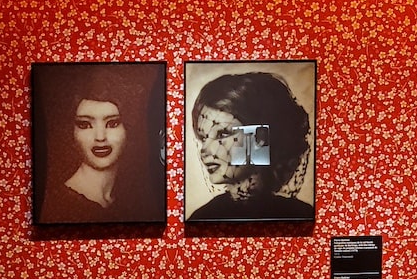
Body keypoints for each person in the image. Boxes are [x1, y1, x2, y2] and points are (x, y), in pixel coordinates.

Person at [36, 67, 163, 224]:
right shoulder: (57, 205)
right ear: (72, 132)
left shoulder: (133, 202)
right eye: (85, 125)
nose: (100, 137)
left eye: (112, 123)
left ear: (129, 129)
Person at [187, 72, 313, 222]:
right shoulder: (204, 219)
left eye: (222, 134)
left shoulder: (300, 215)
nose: (204, 150)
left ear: (260, 138)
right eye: (203, 138)